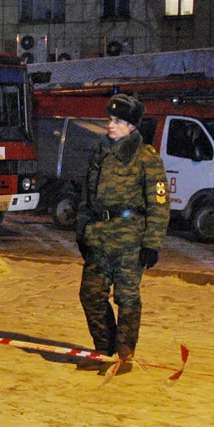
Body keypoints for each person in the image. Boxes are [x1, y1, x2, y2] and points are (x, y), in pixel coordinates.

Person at [75, 94, 169, 374]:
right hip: (99, 237)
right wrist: (82, 232)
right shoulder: (100, 152)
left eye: (117, 121)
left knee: (126, 299)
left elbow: (159, 204)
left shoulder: (147, 158)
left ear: (131, 127)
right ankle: (105, 351)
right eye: (110, 119)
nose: (110, 125)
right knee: (90, 294)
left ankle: (123, 357)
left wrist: (152, 244)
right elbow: (86, 197)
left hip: (130, 240)